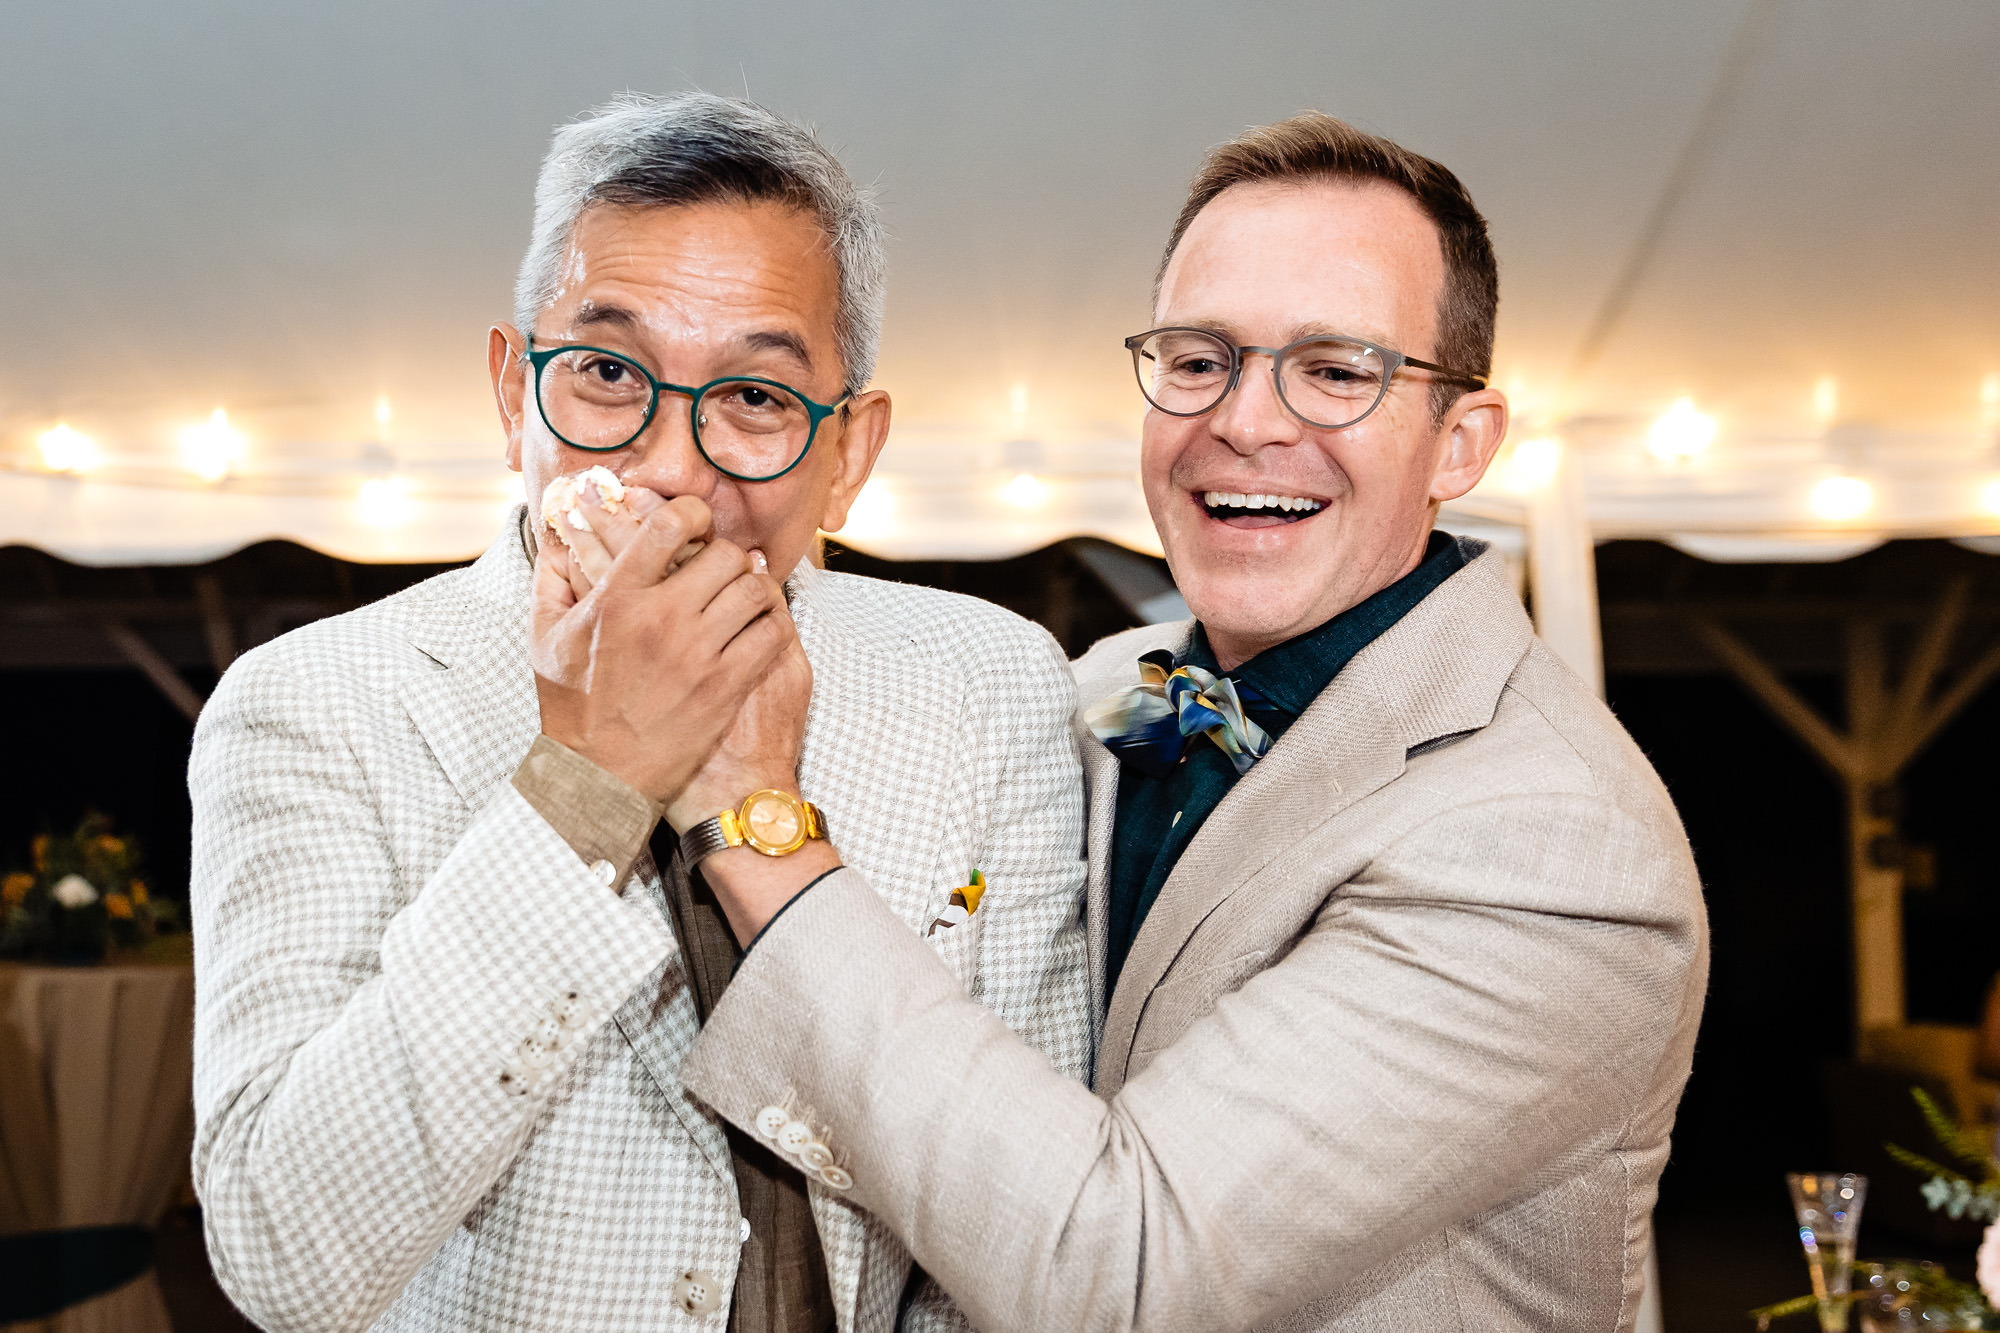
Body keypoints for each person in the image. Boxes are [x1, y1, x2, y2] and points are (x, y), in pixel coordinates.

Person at [671, 114, 1711, 1331]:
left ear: (1458, 443)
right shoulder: (1122, 685)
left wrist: (755, 821)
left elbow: (1128, 1268)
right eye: (1198, 357)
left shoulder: (1550, 843)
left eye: (1335, 369)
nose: (1246, 421)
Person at [187, 92, 1090, 1332]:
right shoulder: (312, 702)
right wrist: (588, 784)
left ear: (851, 452)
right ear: (514, 394)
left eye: (756, 399)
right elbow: (283, 1256)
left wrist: (755, 816)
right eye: (606, 373)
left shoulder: (989, 682)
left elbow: (1022, 1233)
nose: (670, 467)